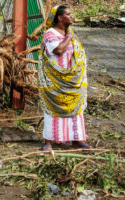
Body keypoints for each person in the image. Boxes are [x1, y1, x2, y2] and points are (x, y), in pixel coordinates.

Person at [38, 5, 90, 150]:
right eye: (68, 14)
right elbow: (59, 50)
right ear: (60, 18)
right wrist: (68, 38)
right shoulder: (50, 33)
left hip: (72, 81)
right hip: (55, 81)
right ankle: (48, 141)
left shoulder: (70, 33)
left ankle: (77, 140)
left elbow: (78, 55)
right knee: (52, 109)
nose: (71, 16)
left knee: (75, 108)